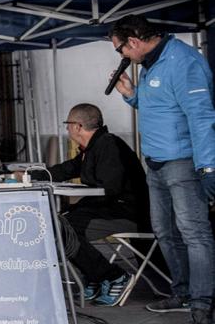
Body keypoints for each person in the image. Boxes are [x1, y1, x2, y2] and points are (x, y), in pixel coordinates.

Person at [109, 15, 215, 324]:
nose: (122, 57)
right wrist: (131, 95)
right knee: (164, 231)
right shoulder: (150, 64)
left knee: (194, 232)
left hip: (183, 162)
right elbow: (161, 106)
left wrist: (208, 166)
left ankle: (202, 306)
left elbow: (201, 116)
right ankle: (181, 292)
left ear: (135, 42)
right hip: (155, 163)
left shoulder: (184, 63)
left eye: (121, 50)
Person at [12, 104, 148, 305]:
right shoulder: (92, 148)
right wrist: (29, 176)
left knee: (63, 229)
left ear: (77, 126)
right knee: (55, 224)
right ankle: (95, 276)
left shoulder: (108, 145)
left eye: (68, 124)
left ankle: (114, 276)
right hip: (107, 208)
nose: (66, 129)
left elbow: (111, 188)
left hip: (127, 213)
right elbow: (67, 169)